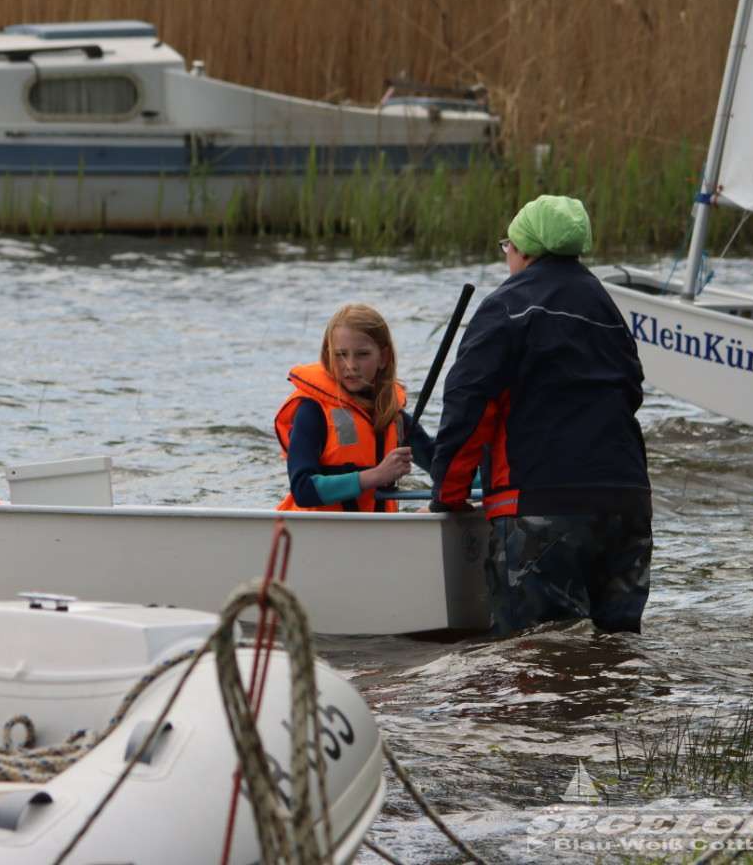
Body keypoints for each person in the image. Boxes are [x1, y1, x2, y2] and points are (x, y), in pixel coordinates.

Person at [428, 194, 651, 636]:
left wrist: (448, 494)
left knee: (535, 653)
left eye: (506, 247)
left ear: (524, 250)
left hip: (542, 506)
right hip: (627, 507)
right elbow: (631, 394)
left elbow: (470, 406)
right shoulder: (607, 310)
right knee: (616, 651)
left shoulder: (508, 306)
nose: (506, 257)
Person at [275, 303, 433, 512]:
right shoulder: (312, 411)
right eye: (341, 354)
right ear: (328, 356)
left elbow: (443, 465)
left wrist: (476, 483)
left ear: (383, 358)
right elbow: (302, 490)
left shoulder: (394, 417)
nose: (351, 365)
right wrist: (376, 475)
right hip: (313, 527)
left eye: (362, 354)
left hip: (377, 526)